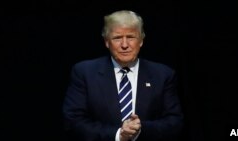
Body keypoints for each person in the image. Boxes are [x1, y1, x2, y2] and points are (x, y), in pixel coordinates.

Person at [63, 10, 183, 141]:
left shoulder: (163, 75)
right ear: (107, 42)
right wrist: (118, 135)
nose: (125, 45)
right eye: (117, 38)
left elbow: (175, 122)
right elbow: (73, 121)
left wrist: (139, 130)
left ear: (141, 41)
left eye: (131, 37)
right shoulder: (84, 72)